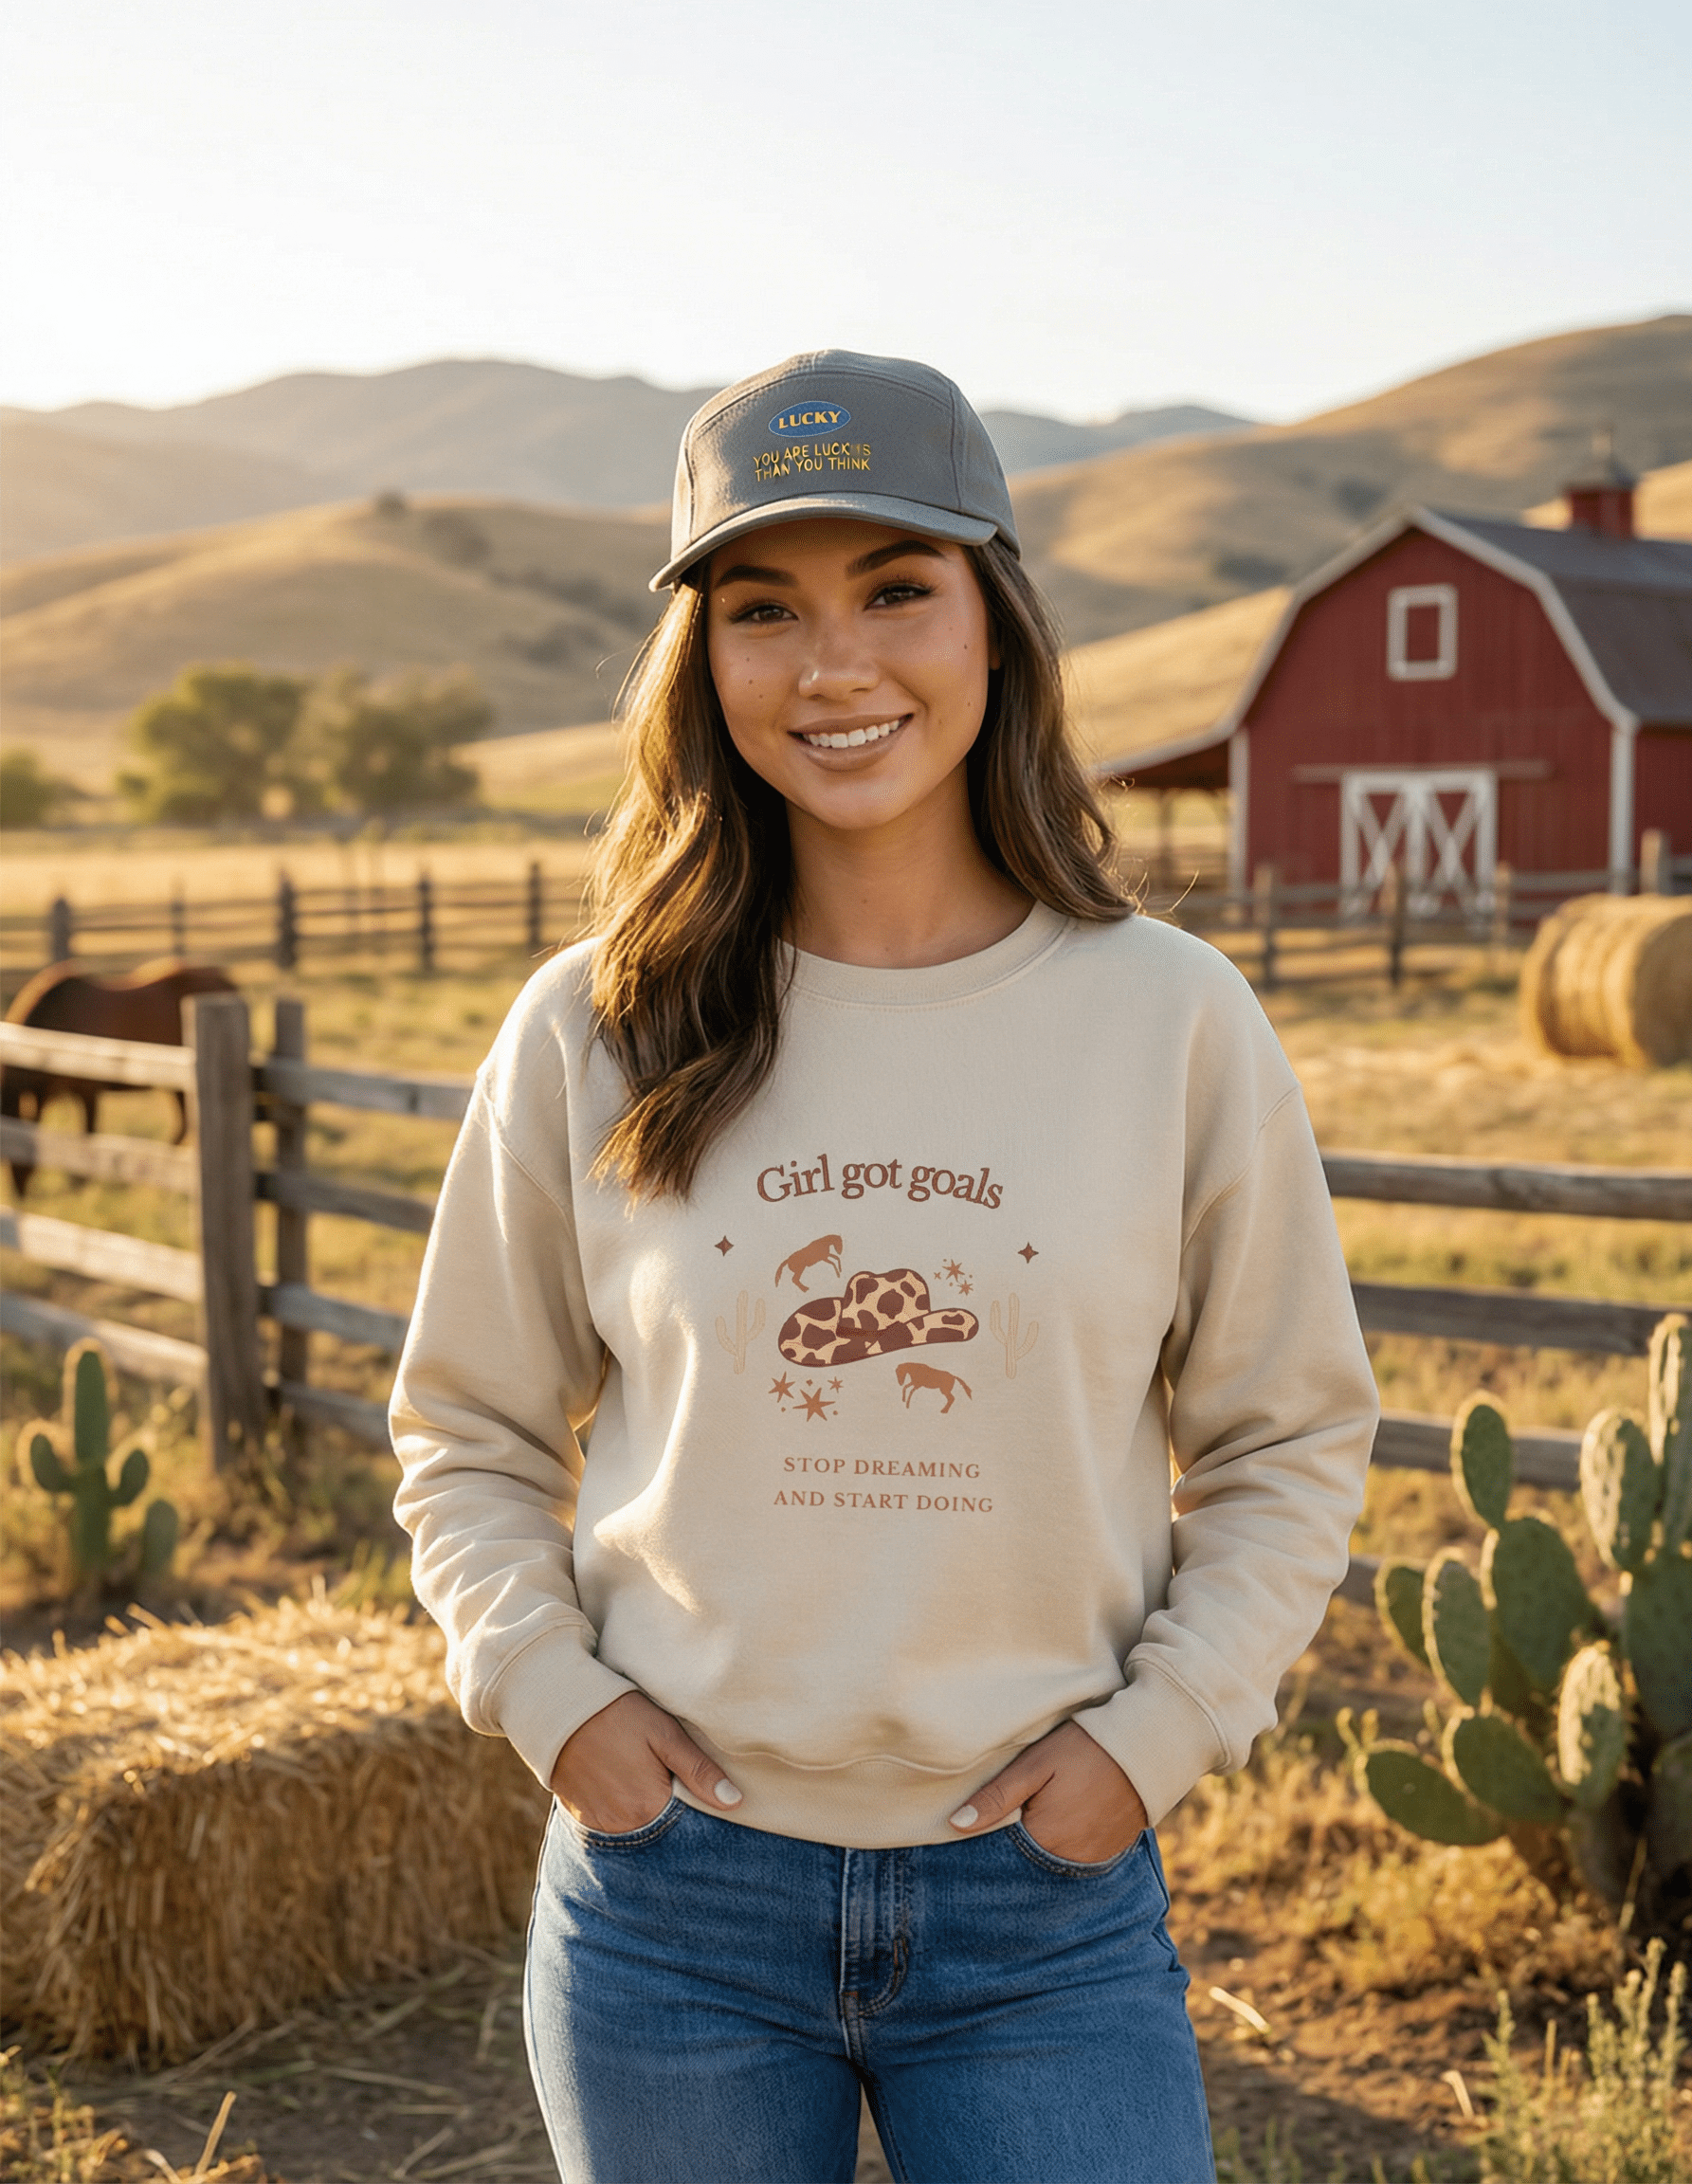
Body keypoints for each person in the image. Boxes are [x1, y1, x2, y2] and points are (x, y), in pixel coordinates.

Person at [391, 350, 1379, 2184]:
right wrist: (552, 1700)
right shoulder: (594, 1028)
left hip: (1042, 1912)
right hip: (674, 1907)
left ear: (994, 622)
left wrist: (1153, 1741)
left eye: (896, 592)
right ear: (706, 668)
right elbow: (465, 1426)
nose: (835, 668)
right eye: (765, 610)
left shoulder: (1168, 1018)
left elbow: (1286, 1444)